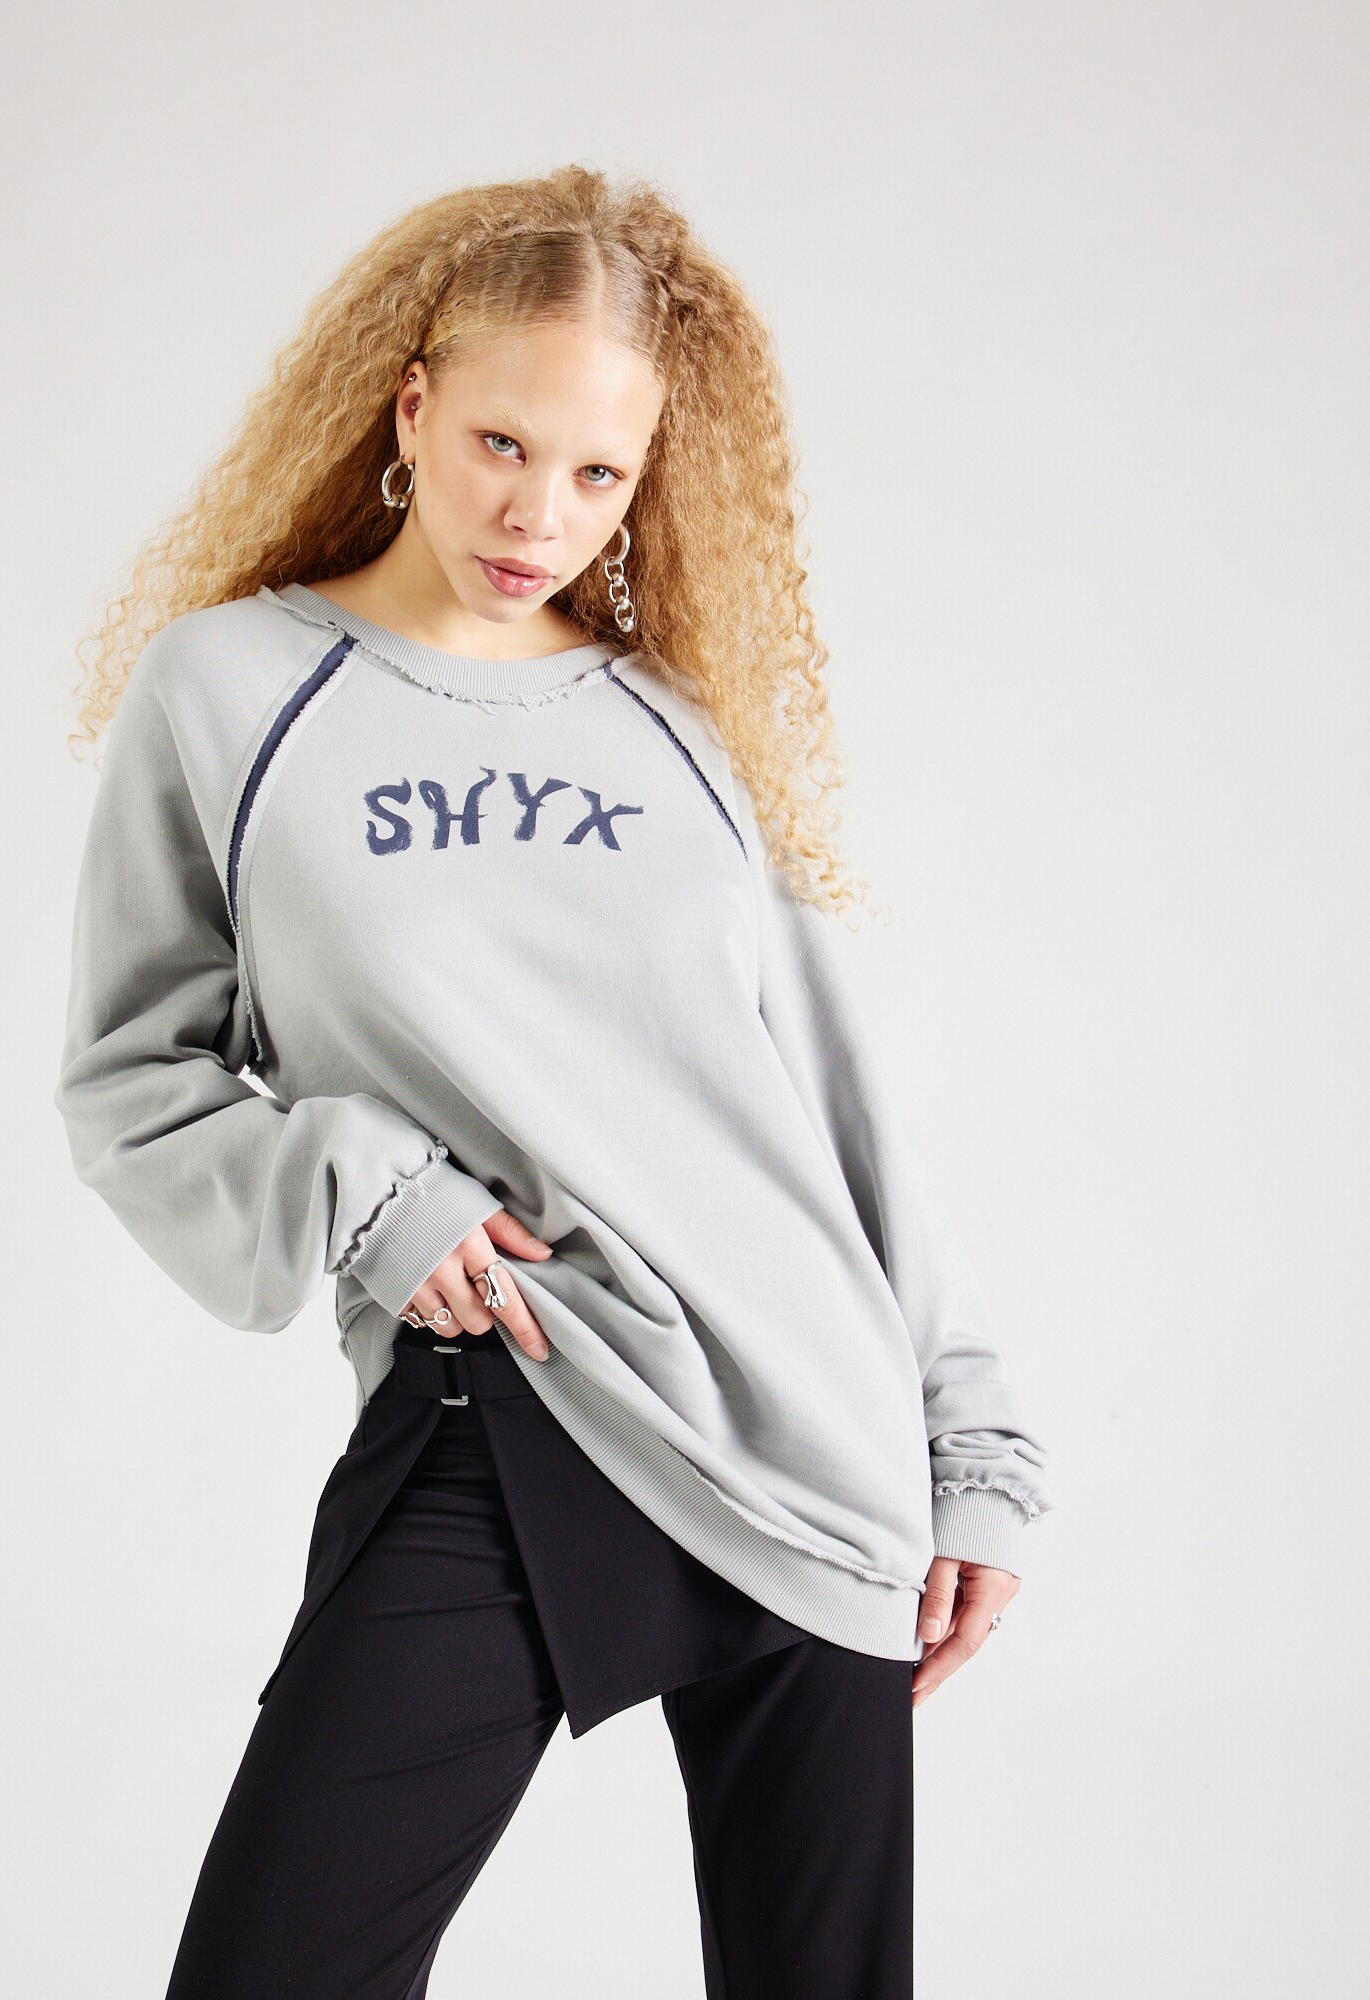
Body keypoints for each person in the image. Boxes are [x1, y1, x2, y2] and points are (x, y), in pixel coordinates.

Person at [55, 162, 1056, 1998]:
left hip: (814, 1438)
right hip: (505, 1402)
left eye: (600, 473)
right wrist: (364, 1184)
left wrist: (972, 1442)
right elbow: (134, 1077)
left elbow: (830, 1107)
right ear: (410, 405)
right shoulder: (234, 690)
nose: (541, 514)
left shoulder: (672, 729)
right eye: (504, 444)